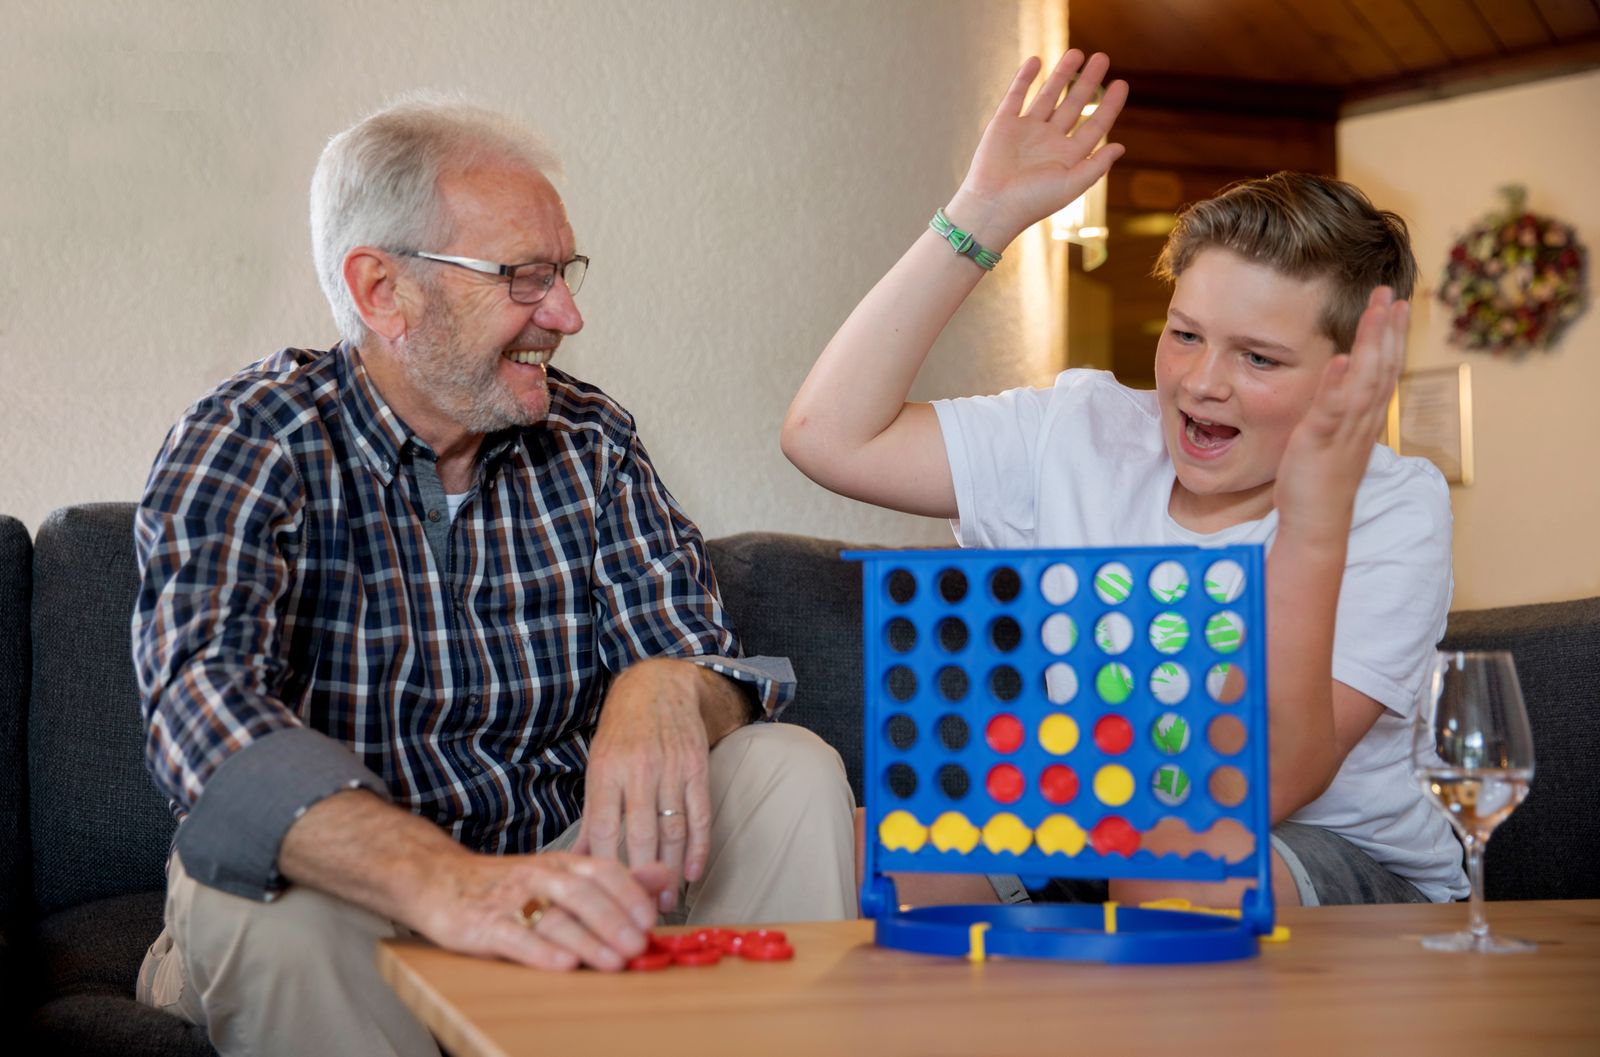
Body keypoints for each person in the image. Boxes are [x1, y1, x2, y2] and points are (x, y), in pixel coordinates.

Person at [131, 96, 856, 1057]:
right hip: (349, 896)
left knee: (786, 771)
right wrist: (450, 884)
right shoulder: (252, 436)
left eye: (564, 273)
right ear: (383, 290)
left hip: (553, 878)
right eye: (524, 277)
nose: (566, 315)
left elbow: (701, 654)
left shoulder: (591, 439)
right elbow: (204, 711)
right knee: (265, 897)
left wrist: (670, 683)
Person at [782, 51, 1467, 910]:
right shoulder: (1082, 429)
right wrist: (981, 215)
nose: (1202, 383)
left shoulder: (1394, 505)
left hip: (1327, 847)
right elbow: (828, 436)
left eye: (1258, 357)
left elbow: (1257, 783)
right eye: (1186, 335)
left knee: (1172, 869)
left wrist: (1313, 519)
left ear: (1349, 375)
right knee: (844, 851)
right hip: (1096, 821)